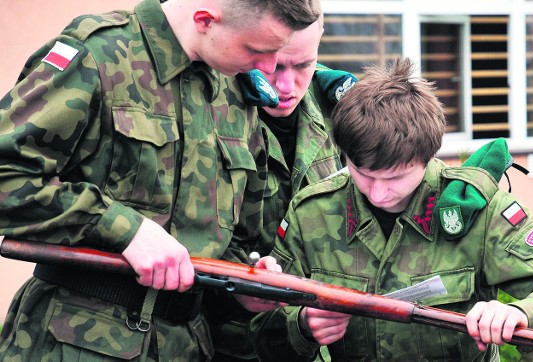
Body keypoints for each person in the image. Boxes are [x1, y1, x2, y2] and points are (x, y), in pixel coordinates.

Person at [0, 0, 320, 360]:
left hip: (186, 346)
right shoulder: (99, 55)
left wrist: (242, 285)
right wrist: (125, 230)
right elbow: (8, 176)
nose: (270, 68)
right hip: (75, 341)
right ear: (205, 20)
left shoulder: (235, 91)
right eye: (257, 50)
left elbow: (230, 237)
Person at [250, 58, 533, 361]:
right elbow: (262, 333)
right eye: (361, 173)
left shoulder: (476, 211)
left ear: (427, 158)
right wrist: (302, 326)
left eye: (395, 177)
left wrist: (519, 313)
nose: (377, 193)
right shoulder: (313, 212)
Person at [209, 14, 356, 361]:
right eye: (274, 67)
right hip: (228, 339)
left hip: (319, 338)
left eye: (304, 65)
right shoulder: (210, 109)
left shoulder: (340, 108)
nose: (287, 85)